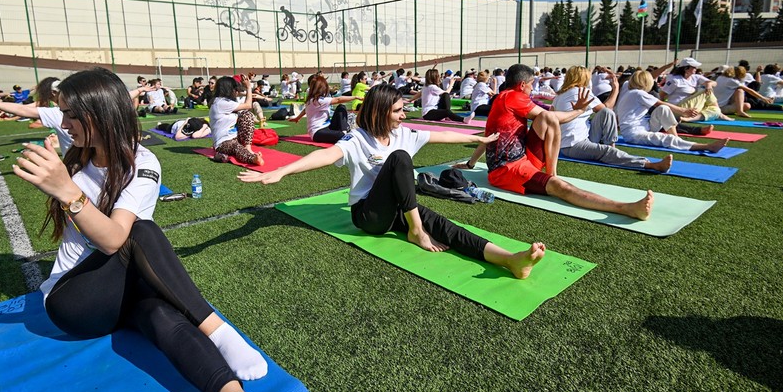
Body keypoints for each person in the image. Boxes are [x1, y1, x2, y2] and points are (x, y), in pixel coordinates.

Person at [11, 68, 275, 392]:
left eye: (70, 114)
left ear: (99, 115)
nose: (64, 124)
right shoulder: (75, 155)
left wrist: (66, 189)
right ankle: (218, 329)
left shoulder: (143, 161)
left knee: (159, 314)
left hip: (123, 291)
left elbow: (115, 238)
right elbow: (115, 238)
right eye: (63, 114)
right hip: (75, 300)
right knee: (140, 231)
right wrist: (66, 187)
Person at [240, 84, 546, 279]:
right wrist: (282, 171)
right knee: (400, 159)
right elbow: (326, 155)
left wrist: (479, 136)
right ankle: (416, 231)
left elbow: (442, 136)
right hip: (369, 215)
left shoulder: (403, 133)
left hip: (400, 207)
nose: (405, 114)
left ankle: (510, 260)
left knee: (445, 227)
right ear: (382, 111)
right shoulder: (357, 139)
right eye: (399, 110)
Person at [454, 64, 657, 221]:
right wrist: (578, 111)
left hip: (523, 157)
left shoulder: (503, 99)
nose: (533, 87)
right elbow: (554, 118)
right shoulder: (513, 97)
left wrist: (471, 164)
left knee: (547, 119)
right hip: (507, 172)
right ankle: (627, 208)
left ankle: (551, 173)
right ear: (522, 85)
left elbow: (489, 136)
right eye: (532, 84)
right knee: (561, 186)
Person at [553, 66, 672, 173]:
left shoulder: (558, 96)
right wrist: (615, 89)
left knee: (606, 113)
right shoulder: (583, 92)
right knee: (606, 149)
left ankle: (611, 145)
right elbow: (608, 106)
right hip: (574, 145)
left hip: (568, 143)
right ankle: (649, 164)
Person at [616, 70, 729, 154]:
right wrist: (683, 111)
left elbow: (662, 106)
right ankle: (707, 146)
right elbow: (661, 102)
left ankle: (676, 138)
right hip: (633, 134)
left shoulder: (633, 93)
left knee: (663, 110)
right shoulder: (637, 93)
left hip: (643, 126)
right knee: (665, 138)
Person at [0, 77, 75, 153]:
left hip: (75, 166)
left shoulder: (56, 113)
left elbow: (21, 109)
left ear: (53, 93)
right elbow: (23, 108)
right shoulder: (79, 107)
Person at [209, 75, 264, 166]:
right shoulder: (221, 103)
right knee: (235, 146)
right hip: (223, 143)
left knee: (247, 115)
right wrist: (248, 87)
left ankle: (247, 148)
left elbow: (246, 109)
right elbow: (248, 105)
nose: (237, 91)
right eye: (235, 89)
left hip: (235, 138)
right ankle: (252, 158)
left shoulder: (225, 101)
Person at [289, 75, 357, 143]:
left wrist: (297, 118)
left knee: (341, 107)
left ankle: (344, 131)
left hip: (328, 126)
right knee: (341, 135)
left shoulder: (313, 100)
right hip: (317, 132)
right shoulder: (317, 101)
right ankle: (344, 133)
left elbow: (305, 110)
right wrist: (355, 97)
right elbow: (338, 99)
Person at [712, 66, 779, 116]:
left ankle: (739, 110)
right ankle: (740, 111)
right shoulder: (732, 81)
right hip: (721, 108)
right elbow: (749, 90)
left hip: (718, 105)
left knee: (747, 104)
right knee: (740, 91)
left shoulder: (720, 77)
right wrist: (763, 98)